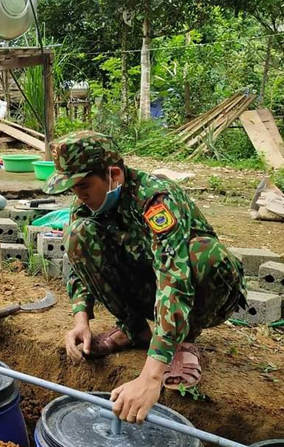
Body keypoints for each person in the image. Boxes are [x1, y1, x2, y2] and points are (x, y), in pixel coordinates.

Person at [46, 131, 247, 425]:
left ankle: (183, 341)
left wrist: (150, 376)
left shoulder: (156, 199)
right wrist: (81, 319)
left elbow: (174, 278)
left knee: (205, 255)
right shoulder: (87, 203)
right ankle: (134, 330)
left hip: (197, 288)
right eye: (74, 189)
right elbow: (79, 266)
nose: (80, 195)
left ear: (113, 175)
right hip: (148, 283)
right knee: (77, 235)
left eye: (85, 186)